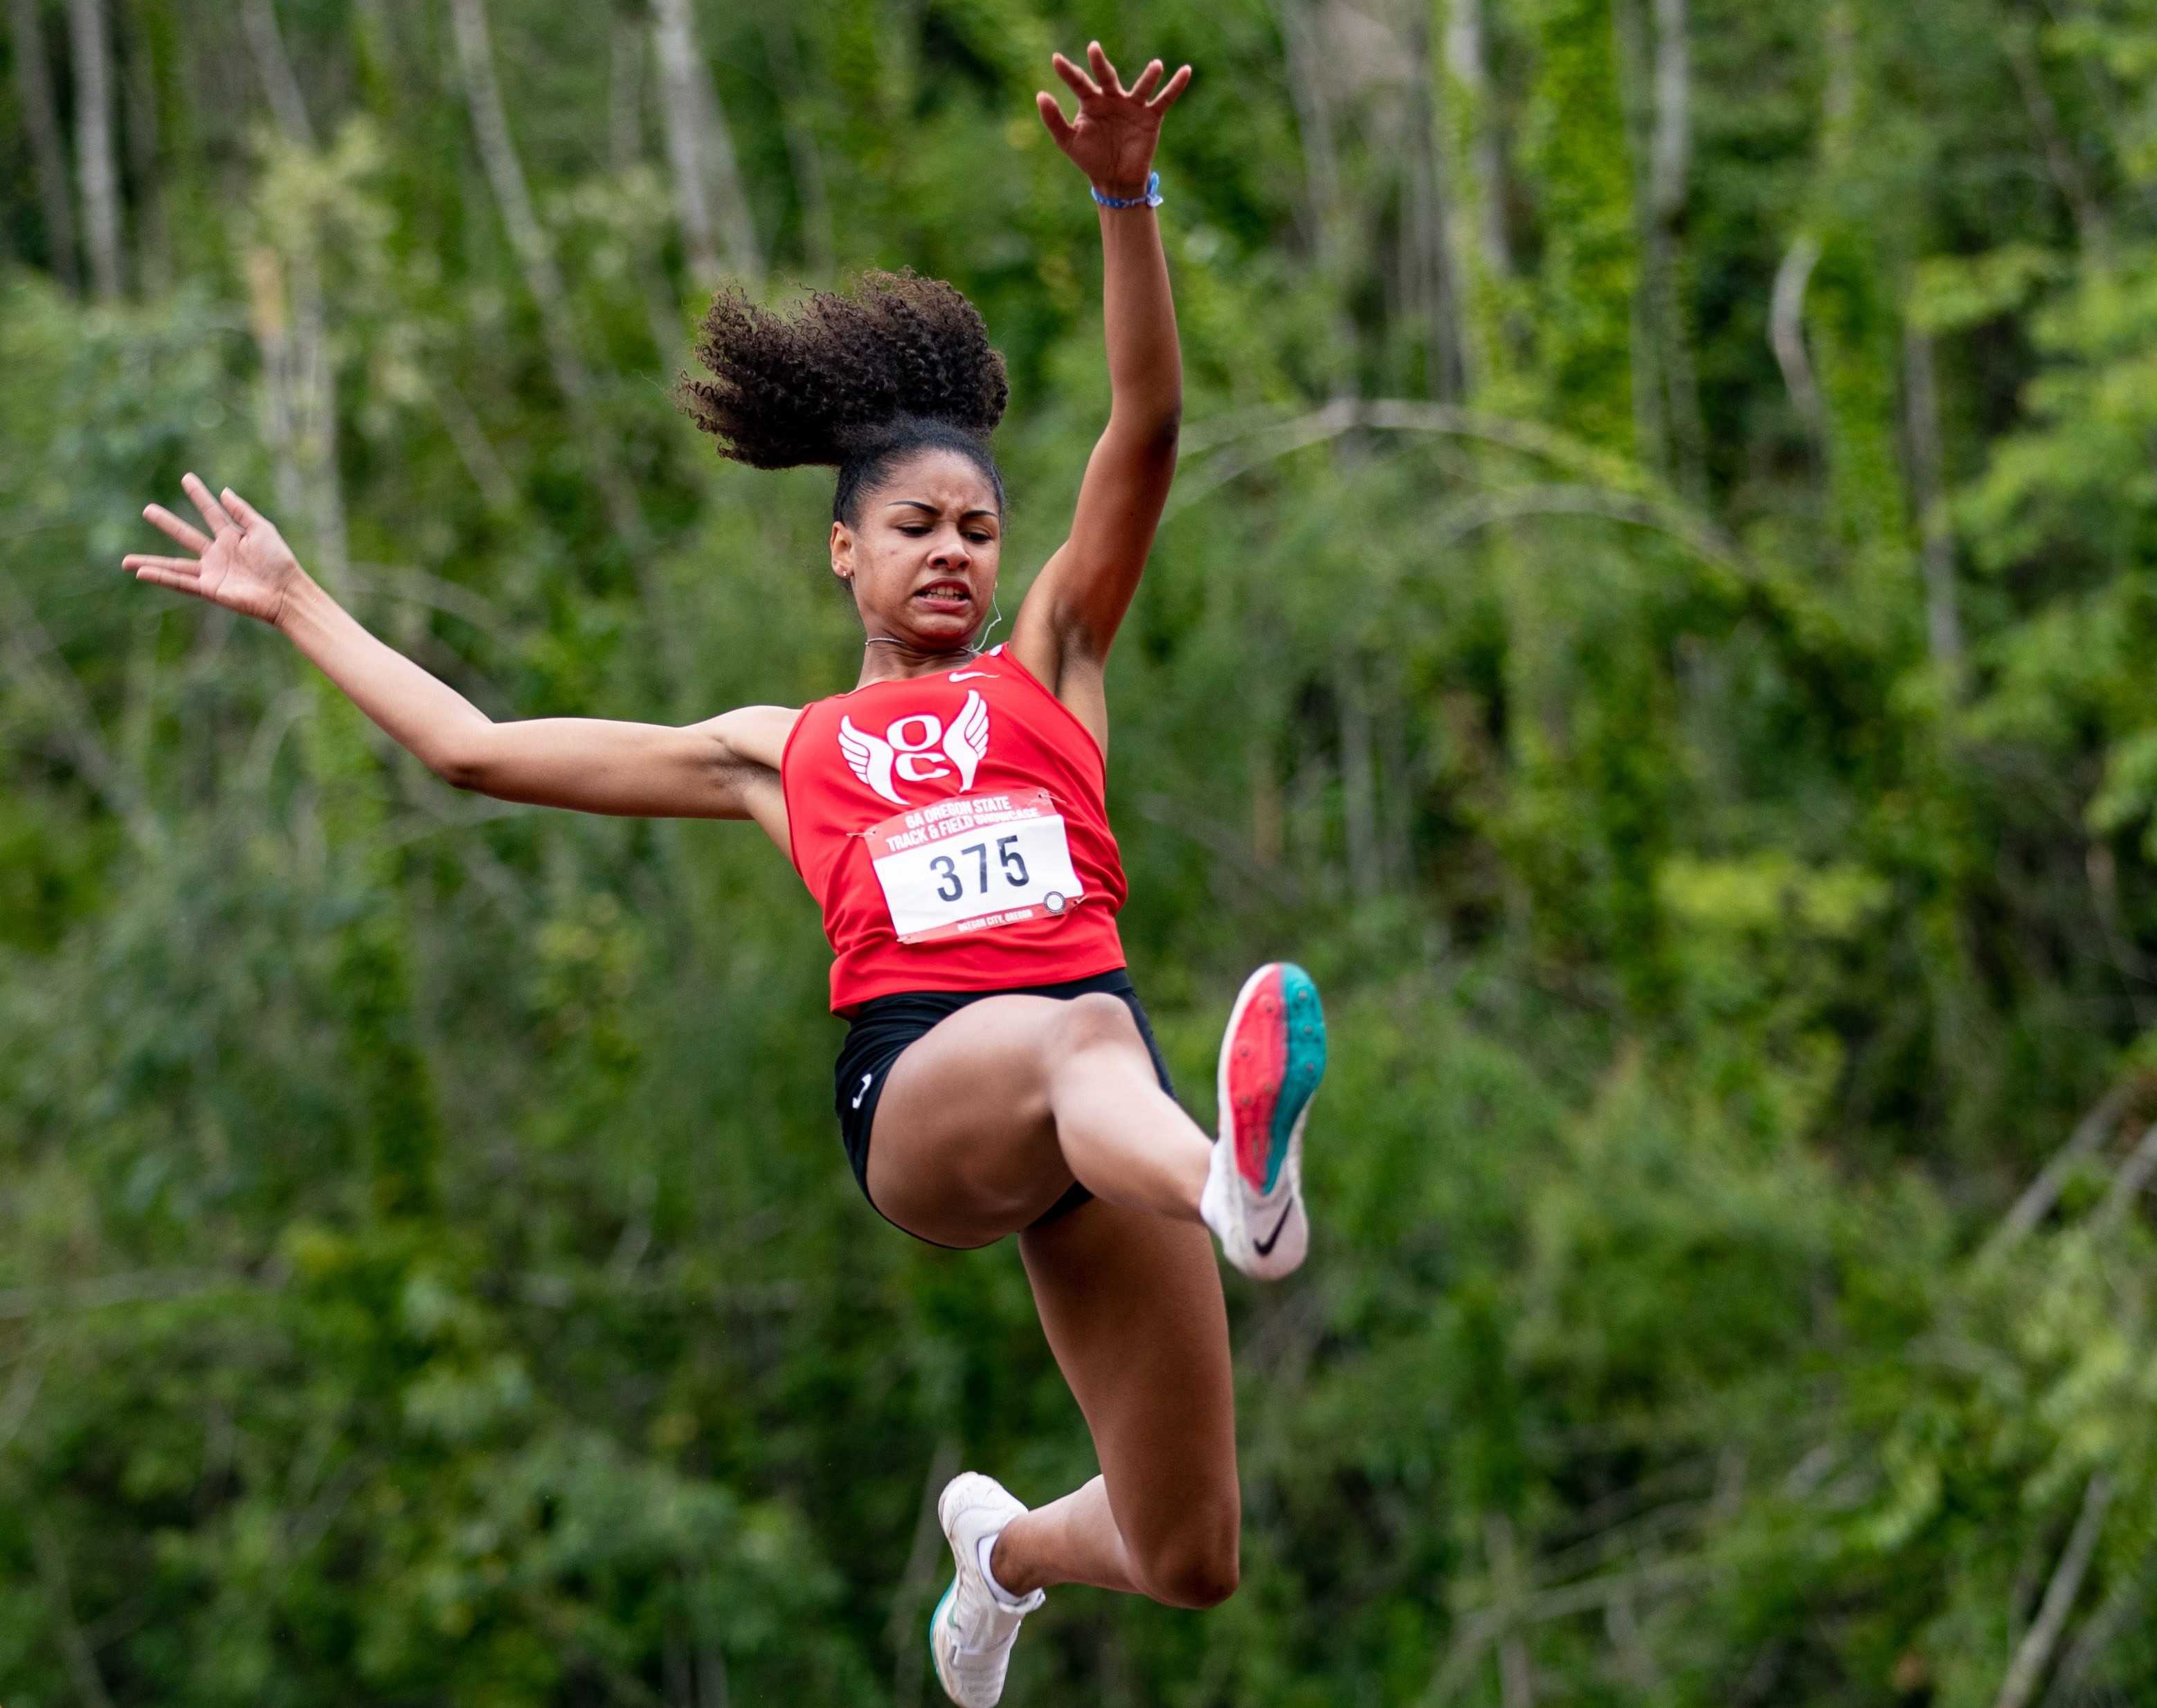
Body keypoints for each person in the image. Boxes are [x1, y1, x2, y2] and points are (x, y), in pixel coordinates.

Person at [123, 42, 1324, 1708]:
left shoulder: (1053, 662)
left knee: (1191, 1550)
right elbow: (474, 746)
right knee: (1079, 1042)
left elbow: (1150, 421)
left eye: (979, 528)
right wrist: (296, 599)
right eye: (918, 526)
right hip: (934, 1096)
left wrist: (1126, 198)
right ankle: (1237, 1191)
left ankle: (1003, 1560)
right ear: (846, 546)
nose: (958, 552)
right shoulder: (780, 748)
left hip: (1093, 1109)